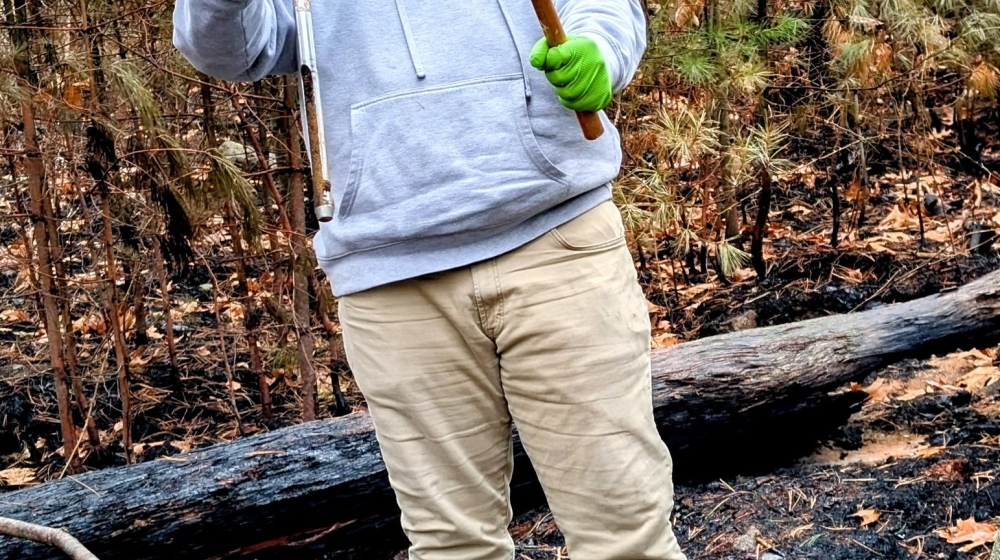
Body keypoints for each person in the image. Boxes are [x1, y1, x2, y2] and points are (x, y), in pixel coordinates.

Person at [173, 1, 688, 558]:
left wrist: (601, 51)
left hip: (557, 240)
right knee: (452, 547)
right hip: (390, 278)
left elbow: (601, 6)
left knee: (627, 534)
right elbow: (233, 49)